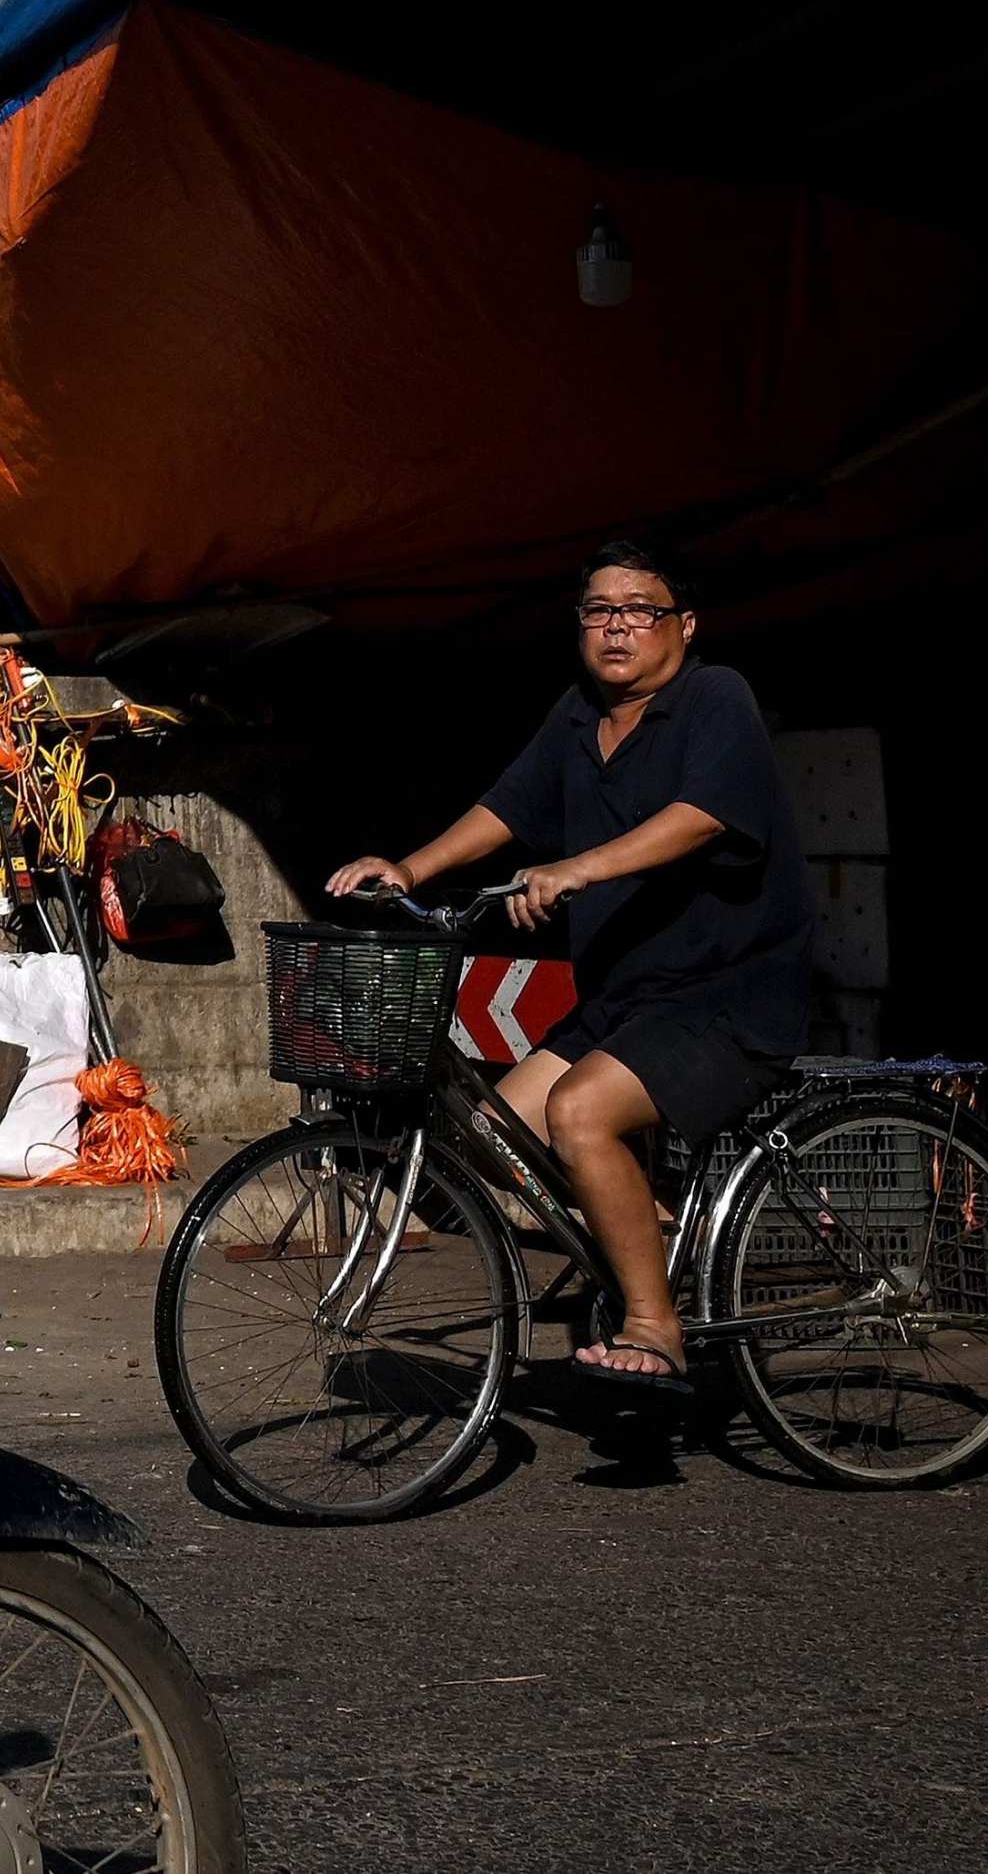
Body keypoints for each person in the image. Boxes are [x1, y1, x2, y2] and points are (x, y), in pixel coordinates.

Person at [328, 542, 814, 1391]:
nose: (616, 624)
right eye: (598, 609)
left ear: (683, 625)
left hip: (726, 993)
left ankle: (653, 1325)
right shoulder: (576, 714)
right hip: (623, 997)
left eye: (639, 608)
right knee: (487, 1130)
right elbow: (505, 807)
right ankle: (648, 1237)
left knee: (577, 1112)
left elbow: (701, 816)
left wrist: (577, 867)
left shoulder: (712, 697)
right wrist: (409, 868)